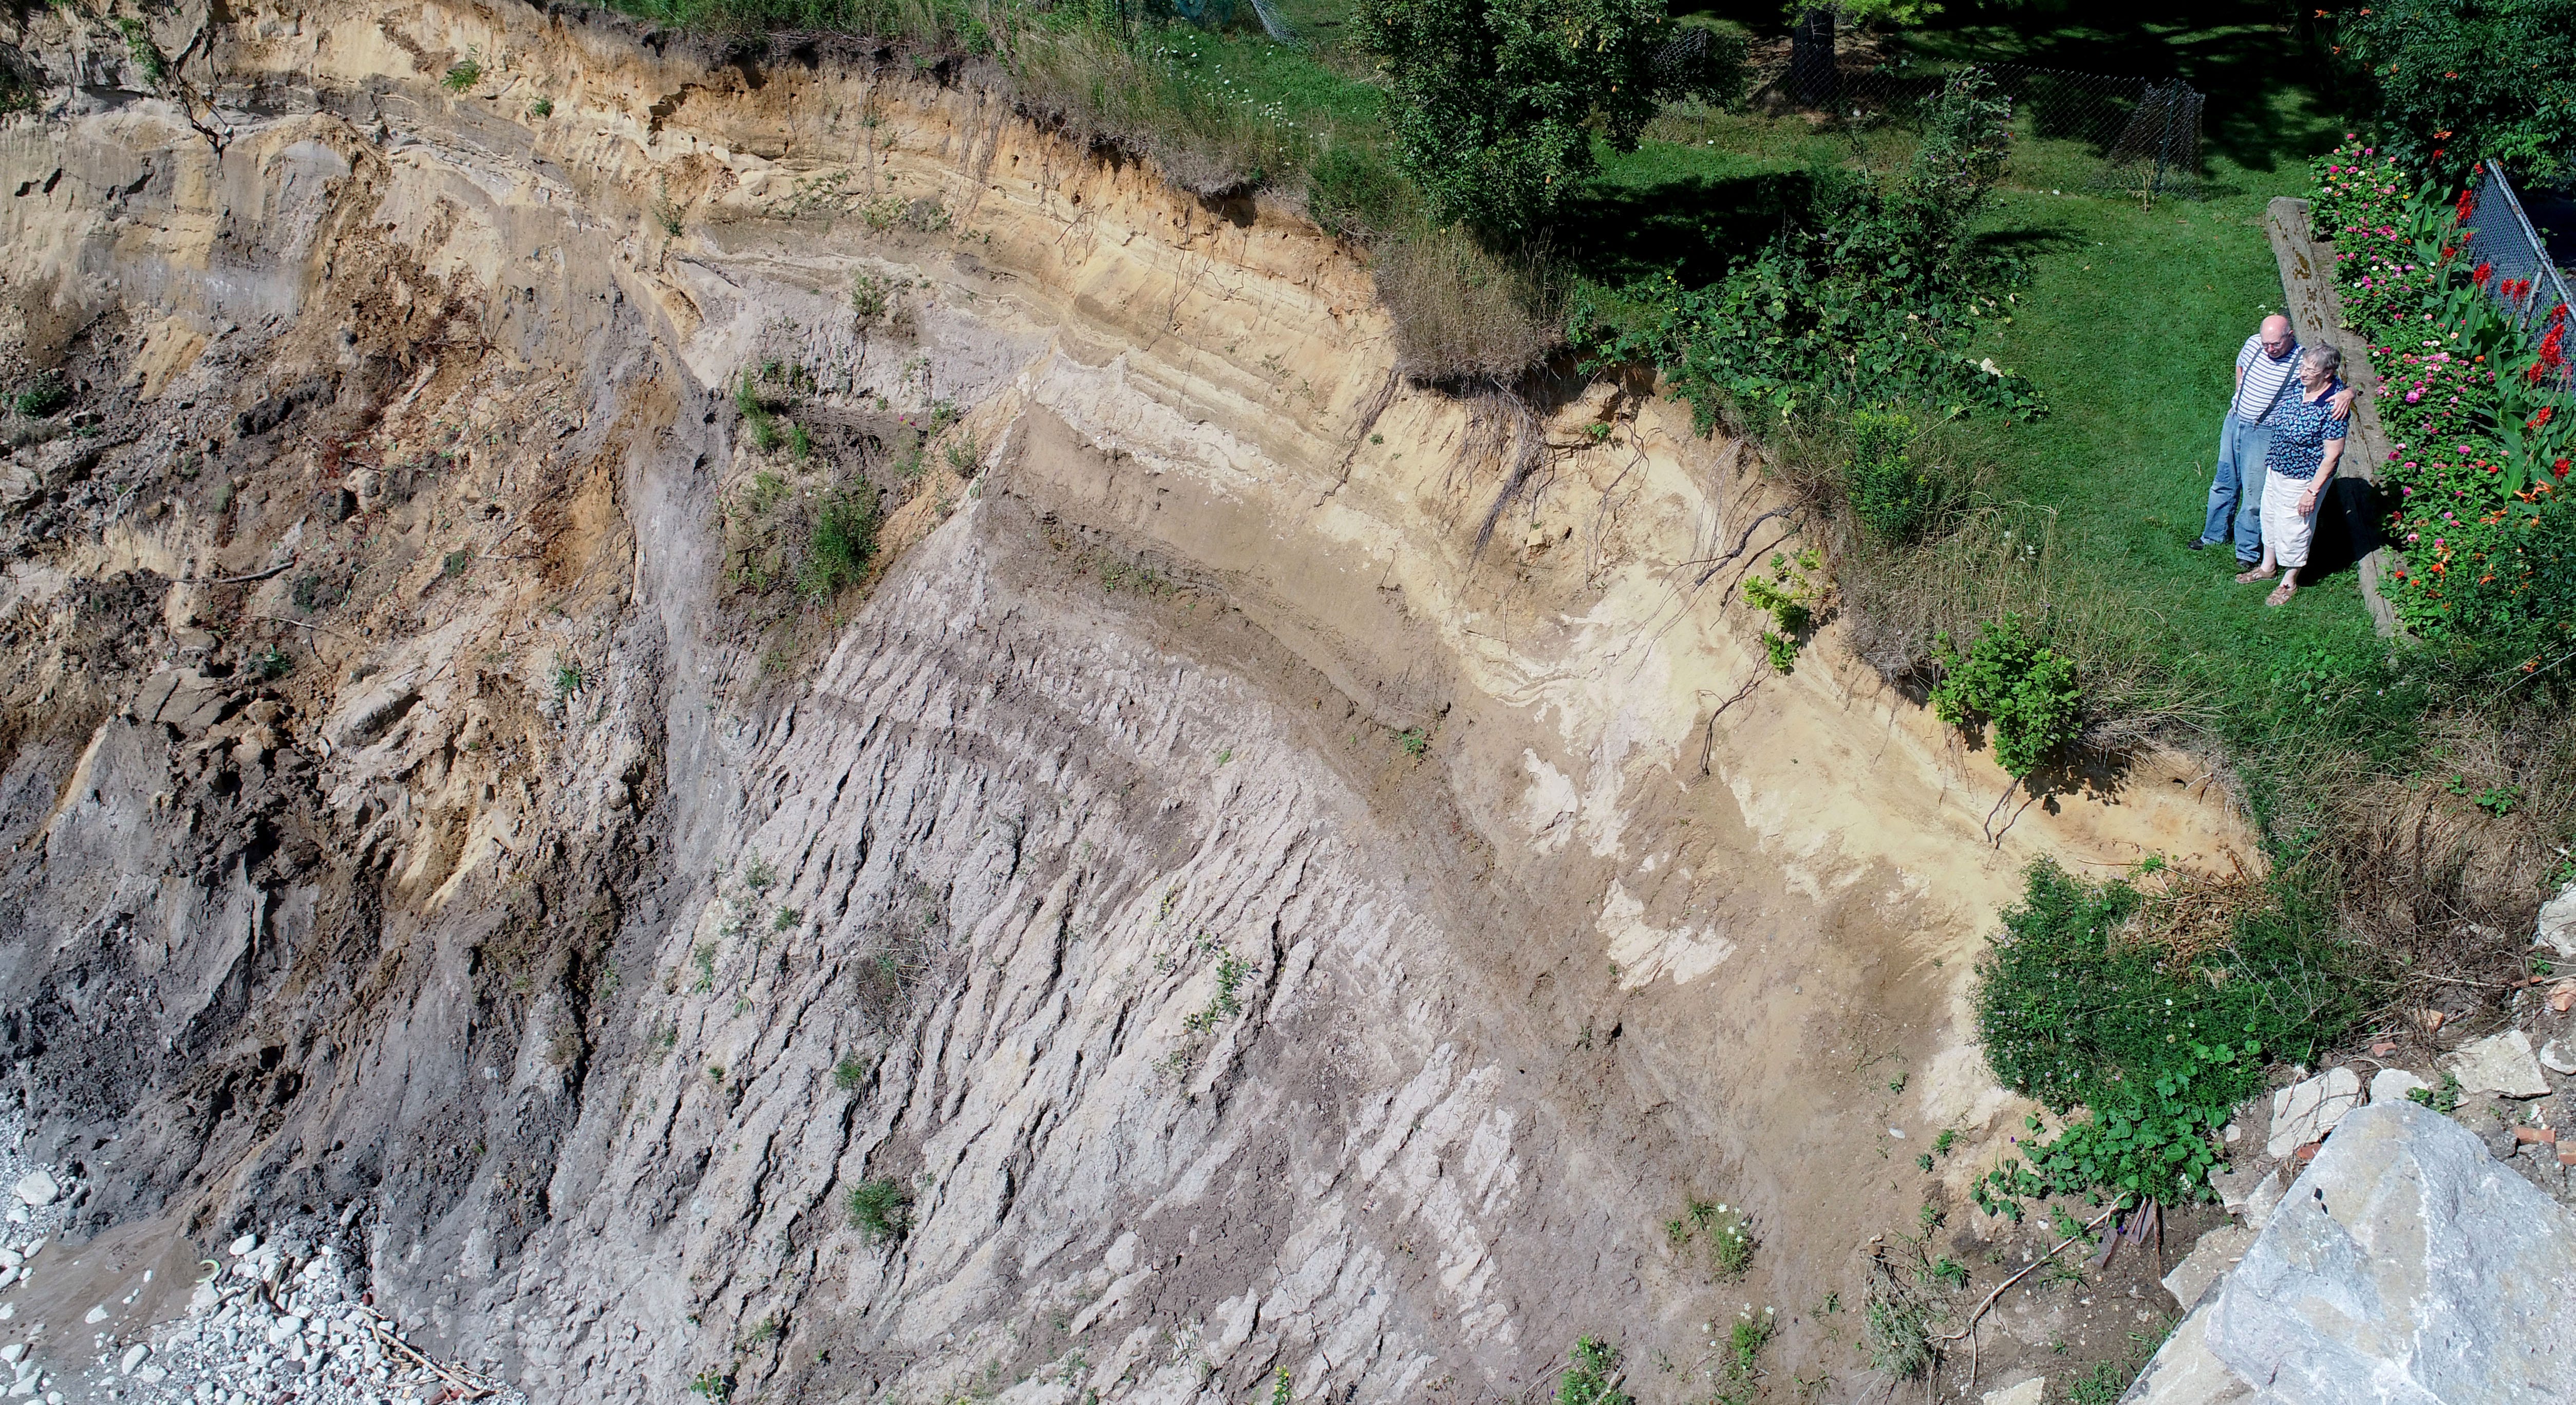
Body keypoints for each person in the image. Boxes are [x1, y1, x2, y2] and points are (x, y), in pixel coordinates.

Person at [2195, 314, 2353, 562]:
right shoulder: (2253, 344)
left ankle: (2247, 552)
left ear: (2290, 336)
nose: (2269, 349)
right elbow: (2241, 365)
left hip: (2263, 433)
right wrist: (2240, 394)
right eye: (2265, 344)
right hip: (2235, 422)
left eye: (2275, 345)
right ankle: (2213, 537)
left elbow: (2333, 384)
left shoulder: (2303, 362)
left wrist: (2350, 393)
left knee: (2253, 495)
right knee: (2223, 482)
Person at [2234, 345, 2347, 607]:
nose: (2304, 373)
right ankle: (2267, 568)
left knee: (2294, 528)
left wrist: (2312, 492)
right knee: (2271, 516)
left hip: (2303, 479)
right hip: (2278, 467)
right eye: (2303, 366)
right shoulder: (2301, 387)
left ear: (2328, 373)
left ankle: (2289, 581)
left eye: (2311, 369)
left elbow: (2333, 455)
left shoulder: (2334, 404)